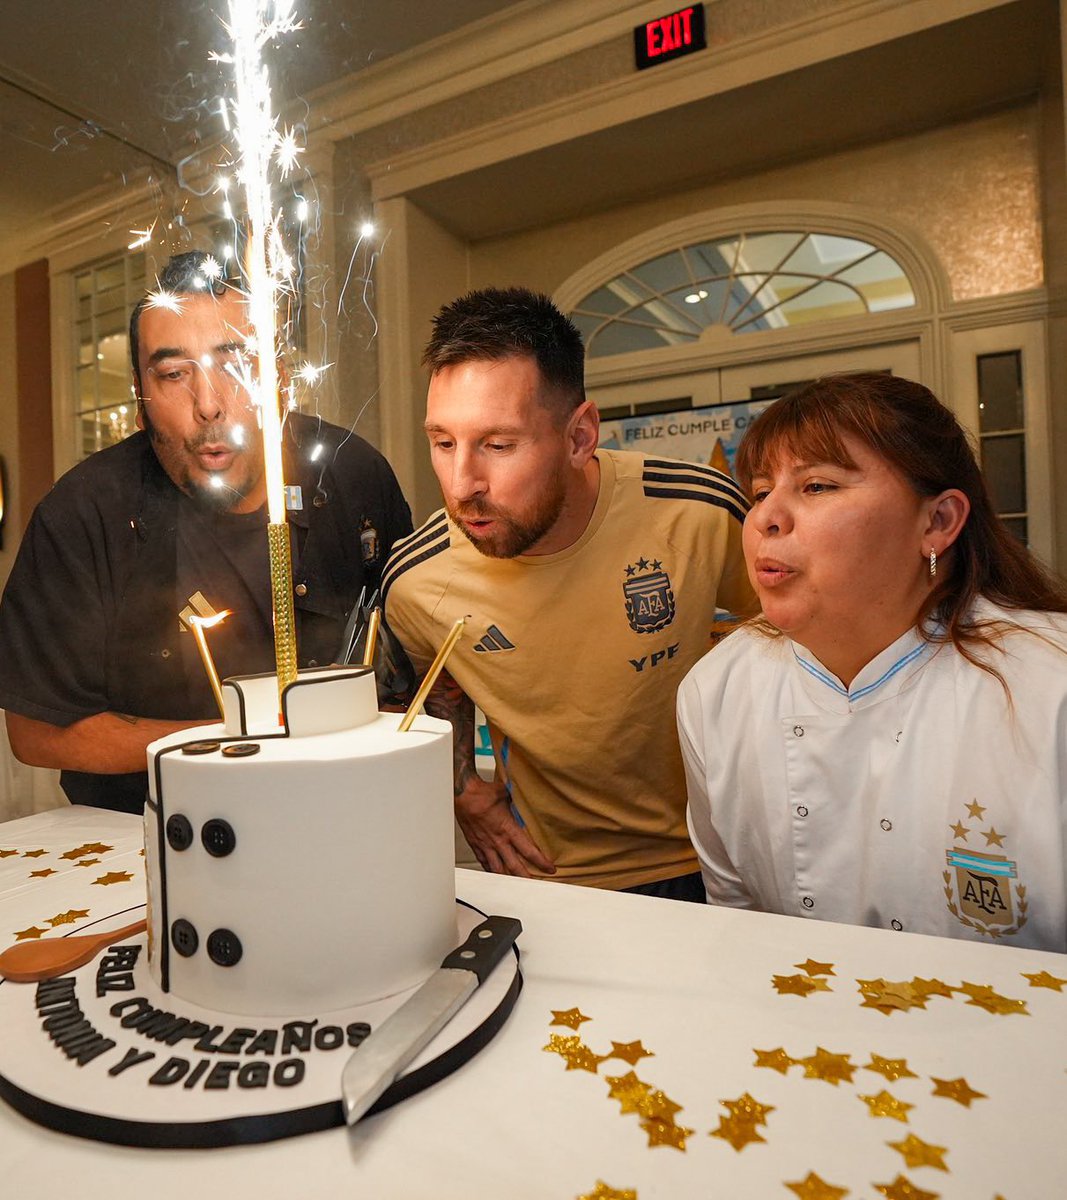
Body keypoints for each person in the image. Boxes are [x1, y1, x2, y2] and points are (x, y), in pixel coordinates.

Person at [0, 251, 411, 813]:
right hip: (150, 834)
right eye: (174, 374)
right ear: (141, 402)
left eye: (236, 365)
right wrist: (241, 737)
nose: (210, 404)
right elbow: (36, 733)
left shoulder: (351, 473)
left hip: (347, 811)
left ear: (281, 381)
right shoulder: (84, 513)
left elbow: (418, 654)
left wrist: (462, 787)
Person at [383, 286, 754, 898]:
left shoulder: (698, 511)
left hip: (724, 858)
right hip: (550, 877)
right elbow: (424, 701)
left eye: (498, 445)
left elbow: (801, 645)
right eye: (443, 442)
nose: (461, 483)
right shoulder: (417, 580)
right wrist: (467, 795)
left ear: (580, 436)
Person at [678, 372, 1067, 949]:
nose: (764, 518)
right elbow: (737, 917)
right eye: (761, 492)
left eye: (817, 487)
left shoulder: (1049, 685)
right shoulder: (717, 689)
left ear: (936, 523)